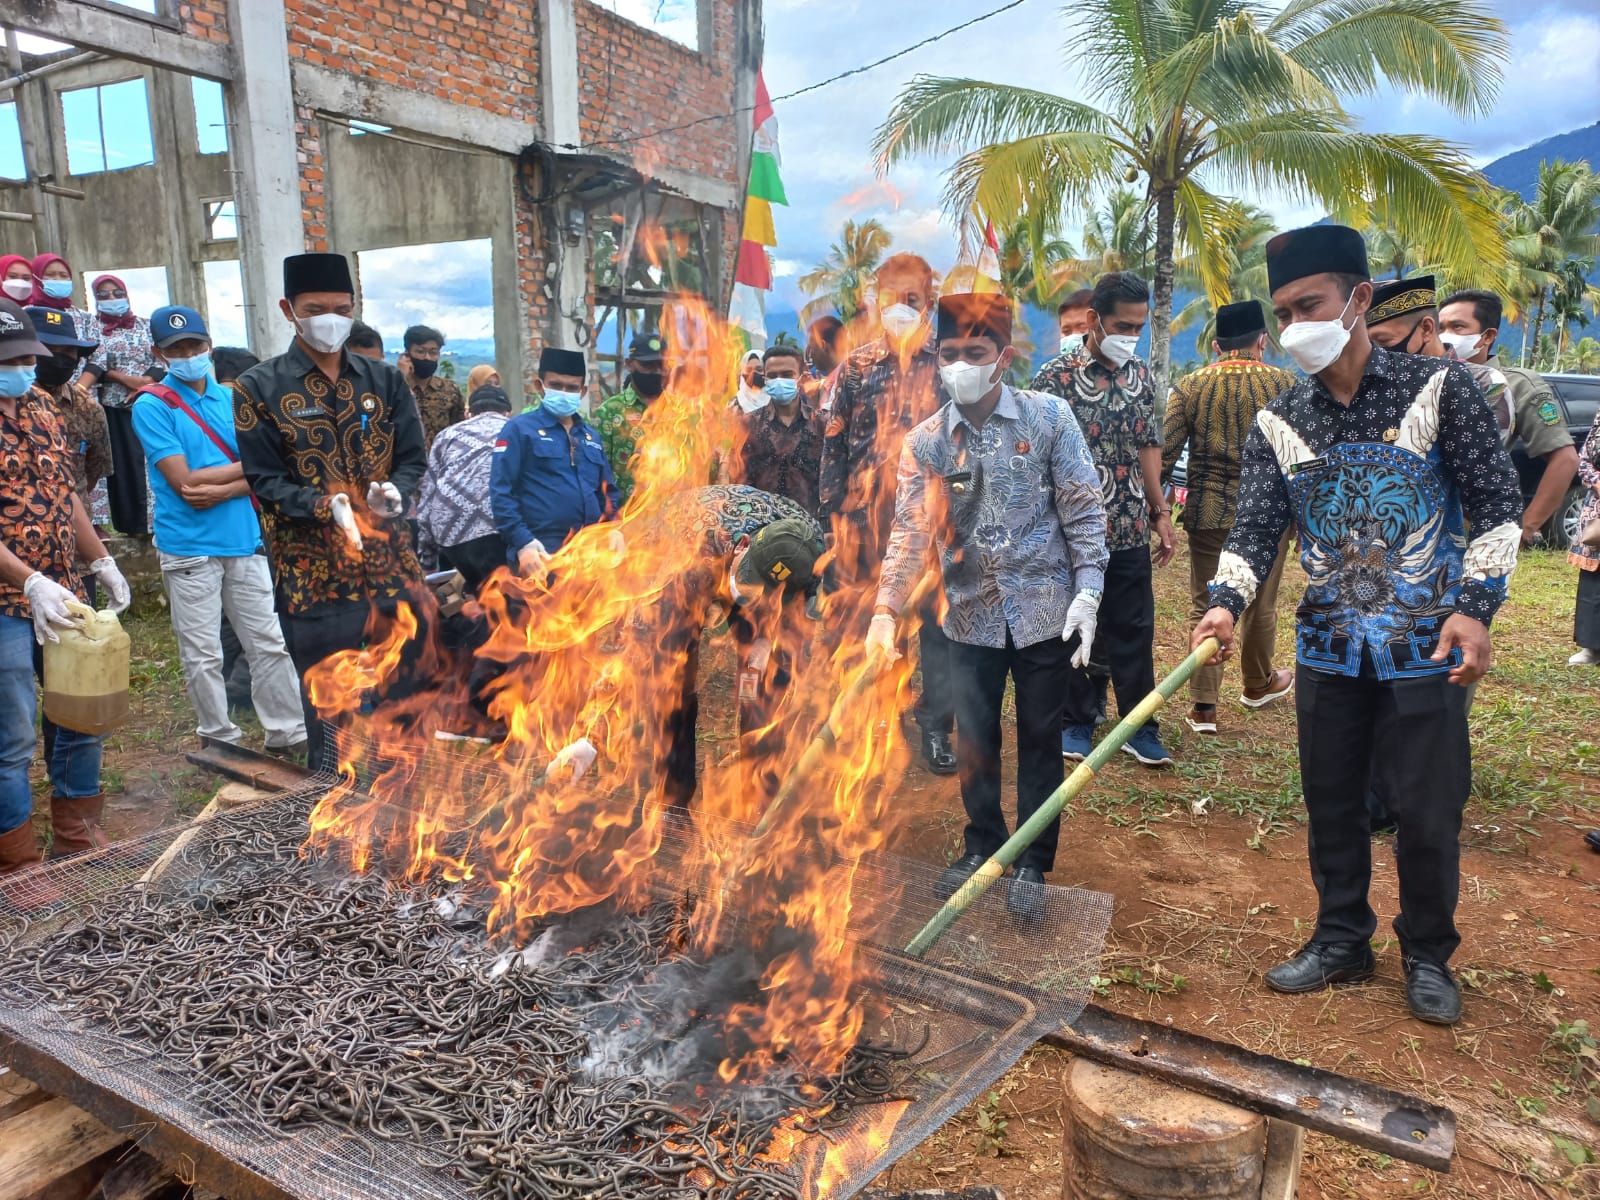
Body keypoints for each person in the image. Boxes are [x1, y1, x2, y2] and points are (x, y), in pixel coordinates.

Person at [1191, 224, 1524, 1025]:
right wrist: (1223, 602)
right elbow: (1253, 530)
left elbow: (1497, 510)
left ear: (1360, 299)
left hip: (1425, 645)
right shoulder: (1280, 417)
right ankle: (1341, 937)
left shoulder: (1440, 392)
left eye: (1310, 304)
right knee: (1333, 800)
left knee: (1427, 807)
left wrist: (1475, 612)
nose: (1294, 323)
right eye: (1284, 311)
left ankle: (1427, 953)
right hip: (1330, 648)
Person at [872, 294, 1107, 921]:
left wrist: (1088, 591)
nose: (960, 365)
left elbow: (1083, 510)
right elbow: (909, 533)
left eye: (974, 354)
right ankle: (983, 844)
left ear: (1002, 356)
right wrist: (885, 610)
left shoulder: (1049, 420)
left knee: (1039, 735)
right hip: (968, 612)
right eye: (949, 354)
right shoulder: (925, 443)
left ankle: (1031, 859)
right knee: (974, 738)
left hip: (1045, 610)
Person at [233, 252, 427, 773]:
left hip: (390, 565)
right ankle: (332, 812)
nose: (330, 319)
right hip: (313, 573)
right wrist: (325, 505)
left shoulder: (384, 380)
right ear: (288, 309)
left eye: (341, 308)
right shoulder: (259, 387)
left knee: (401, 696)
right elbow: (264, 479)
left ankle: (404, 806)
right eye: (315, 308)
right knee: (330, 706)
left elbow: (412, 457)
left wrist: (398, 493)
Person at [130, 306, 306, 755]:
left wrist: (227, 481)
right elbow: (184, 483)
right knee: (203, 650)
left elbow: (271, 470)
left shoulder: (234, 399)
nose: (188, 354)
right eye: (177, 349)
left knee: (267, 641)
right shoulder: (152, 405)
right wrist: (250, 474)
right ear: (159, 353)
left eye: (195, 345)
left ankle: (288, 731)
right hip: (189, 546)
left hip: (244, 539)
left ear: (208, 344)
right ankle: (218, 736)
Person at [0, 300, 132, 886]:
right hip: (7, 605)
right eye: (12, 359)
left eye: (29, 356)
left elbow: (67, 494)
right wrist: (27, 582)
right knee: (13, 736)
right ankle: (19, 863)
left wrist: (98, 557)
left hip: (64, 590)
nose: (24, 367)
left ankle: (78, 831)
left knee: (81, 711)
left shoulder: (43, 409)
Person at [819, 253, 956, 776]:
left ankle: (938, 726)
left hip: (933, 523)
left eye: (913, 300)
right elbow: (834, 446)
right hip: (865, 524)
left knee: (938, 628)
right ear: (875, 301)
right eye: (891, 298)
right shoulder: (855, 367)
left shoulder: (948, 366)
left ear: (930, 302)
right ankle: (881, 716)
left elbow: (965, 444)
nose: (901, 309)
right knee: (872, 623)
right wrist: (833, 519)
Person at [1033, 271, 1177, 767]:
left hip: (1130, 525)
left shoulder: (1141, 374)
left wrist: (1159, 511)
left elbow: (1149, 444)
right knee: (1073, 626)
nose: (1129, 336)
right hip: (1071, 532)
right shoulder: (1053, 379)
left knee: (1134, 627)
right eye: (1122, 324)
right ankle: (1077, 720)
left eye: (1138, 327)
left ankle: (1139, 726)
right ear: (1094, 319)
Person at [1162, 299, 1296, 734]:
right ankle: (1257, 684)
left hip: (1208, 510)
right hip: (1267, 514)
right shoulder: (1285, 383)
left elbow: (1164, 454)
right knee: (1261, 605)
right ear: (1262, 341)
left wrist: (1156, 508)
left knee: (1206, 601)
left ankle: (1203, 707)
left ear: (1217, 345)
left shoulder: (1190, 385)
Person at [1436, 288, 1578, 547]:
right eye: (1441, 327)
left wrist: (1526, 528)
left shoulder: (1515, 385)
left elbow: (1565, 459)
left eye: (1458, 327)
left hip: (1474, 526)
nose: (1446, 336)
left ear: (1487, 336)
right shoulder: (1428, 377)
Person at [491, 347, 618, 575]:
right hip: (540, 551)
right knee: (543, 611)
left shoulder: (591, 437)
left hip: (589, 553)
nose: (563, 392)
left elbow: (608, 491)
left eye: (571, 388)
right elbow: (502, 492)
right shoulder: (519, 430)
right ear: (540, 386)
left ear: (583, 391)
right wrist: (523, 543)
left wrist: (613, 527)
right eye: (556, 385)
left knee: (594, 611)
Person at [77, 274, 158, 539]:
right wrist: (126, 380)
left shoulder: (146, 326)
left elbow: (163, 358)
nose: (112, 299)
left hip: (149, 402)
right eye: (103, 295)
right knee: (122, 466)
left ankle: (156, 523)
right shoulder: (93, 328)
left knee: (150, 461)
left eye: (116, 293)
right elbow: (92, 363)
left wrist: (145, 383)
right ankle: (131, 525)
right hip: (112, 406)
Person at [418, 383, 512, 591]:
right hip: (506, 531)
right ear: (508, 412)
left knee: (477, 591)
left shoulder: (446, 436)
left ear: (469, 414)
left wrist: (428, 564)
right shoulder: (518, 430)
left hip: (454, 536)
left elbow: (426, 504)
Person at [212, 345, 262, 716]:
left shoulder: (202, 406)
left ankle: (231, 677)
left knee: (226, 610)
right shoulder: (249, 408)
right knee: (261, 604)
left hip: (211, 521)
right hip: (256, 518)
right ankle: (244, 681)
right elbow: (269, 466)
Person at [25, 307, 111, 518]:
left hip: (75, 527)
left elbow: (93, 472)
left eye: (67, 352)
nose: (57, 358)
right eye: (48, 349)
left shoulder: (89, 409)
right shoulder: (10, 404)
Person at [727, 343, 824, 515]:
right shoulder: (748, 425)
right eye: (772, 375)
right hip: (763, 529)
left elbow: (831, 483)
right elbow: (737, 481)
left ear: (800, 378)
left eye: (787, 375)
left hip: (811, 529)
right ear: (764, 379)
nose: (779, 380)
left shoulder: (821, 424)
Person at [594, 332, 668, 498]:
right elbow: (598, 472)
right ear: (629, 364)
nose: (655, 372)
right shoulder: (609, 412)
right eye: (647, 366)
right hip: (626, 517)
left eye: (661, 366)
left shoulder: (680, 411)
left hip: (672, 516)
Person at [399, 324, 464, 451]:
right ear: (407, 354)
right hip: (405, 464)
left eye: (433, 352)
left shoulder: (450, 390)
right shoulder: (395, 388)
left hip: (441, 463)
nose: (427, 358)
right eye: (420, 351)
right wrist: (401, 379)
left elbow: (459, 430)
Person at [1056, 287, 1094, 359]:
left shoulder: (1119, 367)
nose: (1073, 336)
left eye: (1083, 328)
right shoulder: (1052, 369)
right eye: (1066, 331)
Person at [733, 349, 766, 413]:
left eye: (759, 369)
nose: (753, 374)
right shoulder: (733, 406)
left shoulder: (777, 402)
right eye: (748, 370)